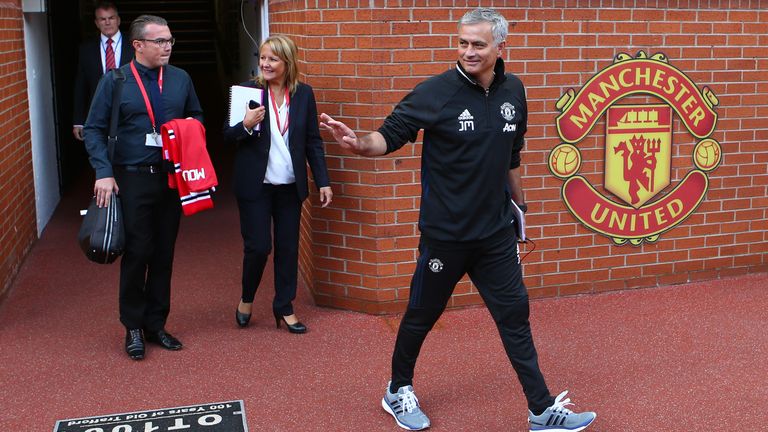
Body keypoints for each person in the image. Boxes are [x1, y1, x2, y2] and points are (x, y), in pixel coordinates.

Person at [321, 8, 596, 432]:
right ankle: (397, 388)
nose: (468, 51)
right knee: (421, 314)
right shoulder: (437, 92)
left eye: (478, 44)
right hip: (445, 236)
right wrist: (358, 143)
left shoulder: (514, 92)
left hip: (495, 235)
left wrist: (519, 211)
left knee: (514, 317)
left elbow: (512, 156)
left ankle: (541, 410)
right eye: (463, 42)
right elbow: (388, 135)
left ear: (501, 47)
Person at [84, 15, 203, 360]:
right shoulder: (116, 81)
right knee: (138, 252)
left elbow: (197, 116)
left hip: (171, 178)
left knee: (164, 252)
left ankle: (156, 324)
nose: (167, 47)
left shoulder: (180, 79)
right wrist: (103, 172)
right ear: (138, 45)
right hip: (131, 178)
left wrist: (187, 129)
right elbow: (92, 129)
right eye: (160, 41)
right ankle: (133, 326)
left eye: (170, 41)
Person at [224, 35, 332, 334]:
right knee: (258, 247)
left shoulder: (304, 95)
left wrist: (322, 180)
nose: (265, 64)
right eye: (262, 58)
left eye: (272, 59)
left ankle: (284, 307)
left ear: (288, 63)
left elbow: (313, 141)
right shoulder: (248, 91)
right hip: (256, 186)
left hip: (289, 186)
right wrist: (244, 125)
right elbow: (227, 136)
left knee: (288, 249)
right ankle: (247, 298)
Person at [73, 1, 133, 142]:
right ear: (96, 22)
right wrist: (78, 121)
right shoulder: (86, 49)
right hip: (98, 115)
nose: (107, 22)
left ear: (118, 20)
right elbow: (81, 86)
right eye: (102, 19)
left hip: (130, 113)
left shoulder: (134, 45)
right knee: (101, 158)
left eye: (111, 18)